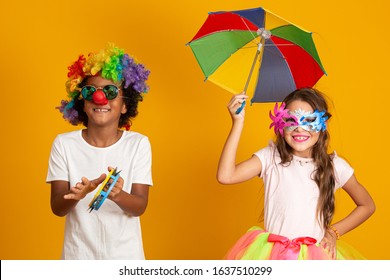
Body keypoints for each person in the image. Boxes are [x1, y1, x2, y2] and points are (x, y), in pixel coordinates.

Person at [217, 88, 375, 260]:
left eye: (309, 121)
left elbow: (367, 205)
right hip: (272, 256)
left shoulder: (335, 166)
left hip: (315, 259)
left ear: (323, 125)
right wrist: (237, 123)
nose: (300, 128)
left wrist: (333, 232)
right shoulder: (270, 158)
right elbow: (226, 176)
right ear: (280, 123)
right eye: (291, 120)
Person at [46, 43, 152, 259]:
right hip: (78, 258)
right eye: (90, 91)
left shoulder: (138, 144)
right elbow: (57, 207)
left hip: (126, 259)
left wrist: (117, 195)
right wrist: (75, 195)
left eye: (110, 91)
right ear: (82, 102)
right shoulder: (64, 144)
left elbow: (140, 206)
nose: (99, 98)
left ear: (124, 105)